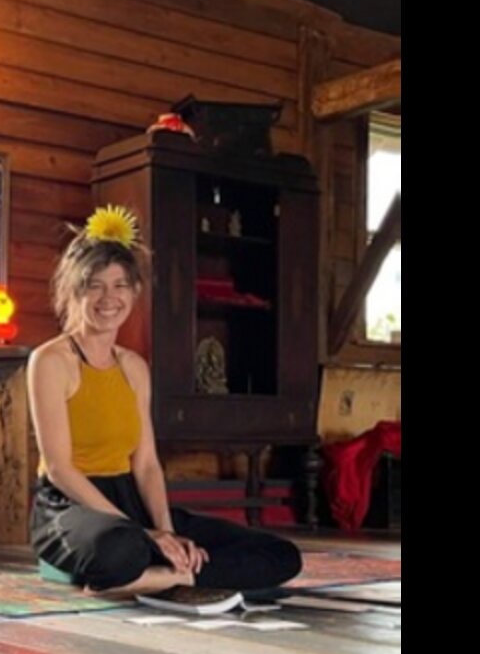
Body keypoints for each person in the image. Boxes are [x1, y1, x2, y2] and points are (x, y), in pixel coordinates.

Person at [28, 205, 302, 595]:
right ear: (75, 290)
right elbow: (59, 469)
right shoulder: (51, 361)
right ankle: (142, 572)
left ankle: (164, 577)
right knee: (121, 548)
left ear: (135, 291)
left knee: (281, 554)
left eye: (120, 285)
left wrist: (167, 534)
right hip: (71, 505)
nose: (109, 298)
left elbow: (146, 465)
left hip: (130, 499)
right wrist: (143, 534)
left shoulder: (134, 367)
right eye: (95, 286)